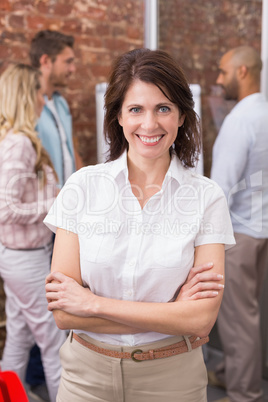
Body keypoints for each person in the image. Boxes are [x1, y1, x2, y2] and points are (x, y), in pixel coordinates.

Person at [44, 48, 235, 402]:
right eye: (136, 109)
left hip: (172, 380)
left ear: (181, 116)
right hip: (85, 379)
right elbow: (64, 314)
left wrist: (93, 303)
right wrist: (172, 313)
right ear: (118, 115)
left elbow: (200, 320)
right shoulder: (82, 187)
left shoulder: (207, 198)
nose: (150, 124)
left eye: (163, 108)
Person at [0, 63, 66, 402]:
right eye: (39, 93)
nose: (44, 99)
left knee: (19, 339)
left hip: (18, 259)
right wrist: (54, 203)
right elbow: (5, 209)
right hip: (26, 261)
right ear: (27, 97)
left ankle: (11, 396)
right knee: (55, 344)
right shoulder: (20, 144)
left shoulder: (15, 140)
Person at [210, 46, 268, 402]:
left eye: (222, 72)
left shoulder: (240, 119)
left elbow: (220, 188)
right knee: (249, 312)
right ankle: (229, 373)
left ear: (242, 71)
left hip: (240, 235)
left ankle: (244, 394)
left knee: (238, 319)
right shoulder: (266, 113)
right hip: (262, 230)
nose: (218, 79)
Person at [29, 29, 77, 188]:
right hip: (42, 206)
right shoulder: (27, 106)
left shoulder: (61, 103)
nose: (73, 69)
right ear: (46, 61)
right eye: (68, 62)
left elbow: (70, 150)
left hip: (67, 203)